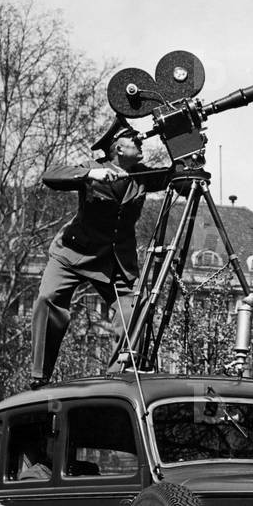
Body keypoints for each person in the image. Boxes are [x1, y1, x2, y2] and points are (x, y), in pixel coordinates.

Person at [30, 117, 174, 388]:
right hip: (73, 255)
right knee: (49, 298)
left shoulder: (140, 176)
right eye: (133, 138)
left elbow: (175, 175)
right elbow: (51, 175)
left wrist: (174, 136)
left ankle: (119, 376)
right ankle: (40, 375)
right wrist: (88, 175)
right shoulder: (91, 169)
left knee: (134, 312)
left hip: (115, 262)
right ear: (117, 149)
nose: (140, 142)